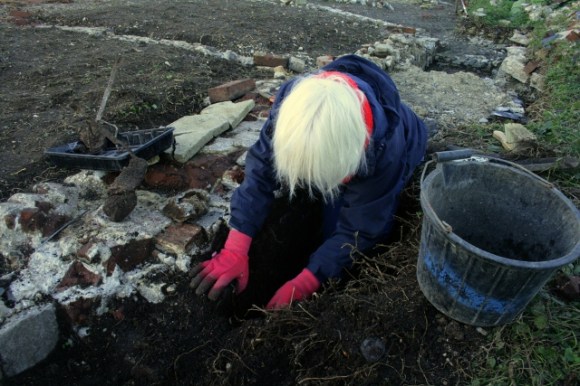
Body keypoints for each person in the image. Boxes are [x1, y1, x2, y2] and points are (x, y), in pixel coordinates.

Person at [190, 54, 428, 309]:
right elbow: (260, 171)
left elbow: (362, 228)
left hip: (407, 145)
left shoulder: (385, 152)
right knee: (311, 207)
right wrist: (235, 248)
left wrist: (311, 279)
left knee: (338, 224)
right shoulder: (295, 106)